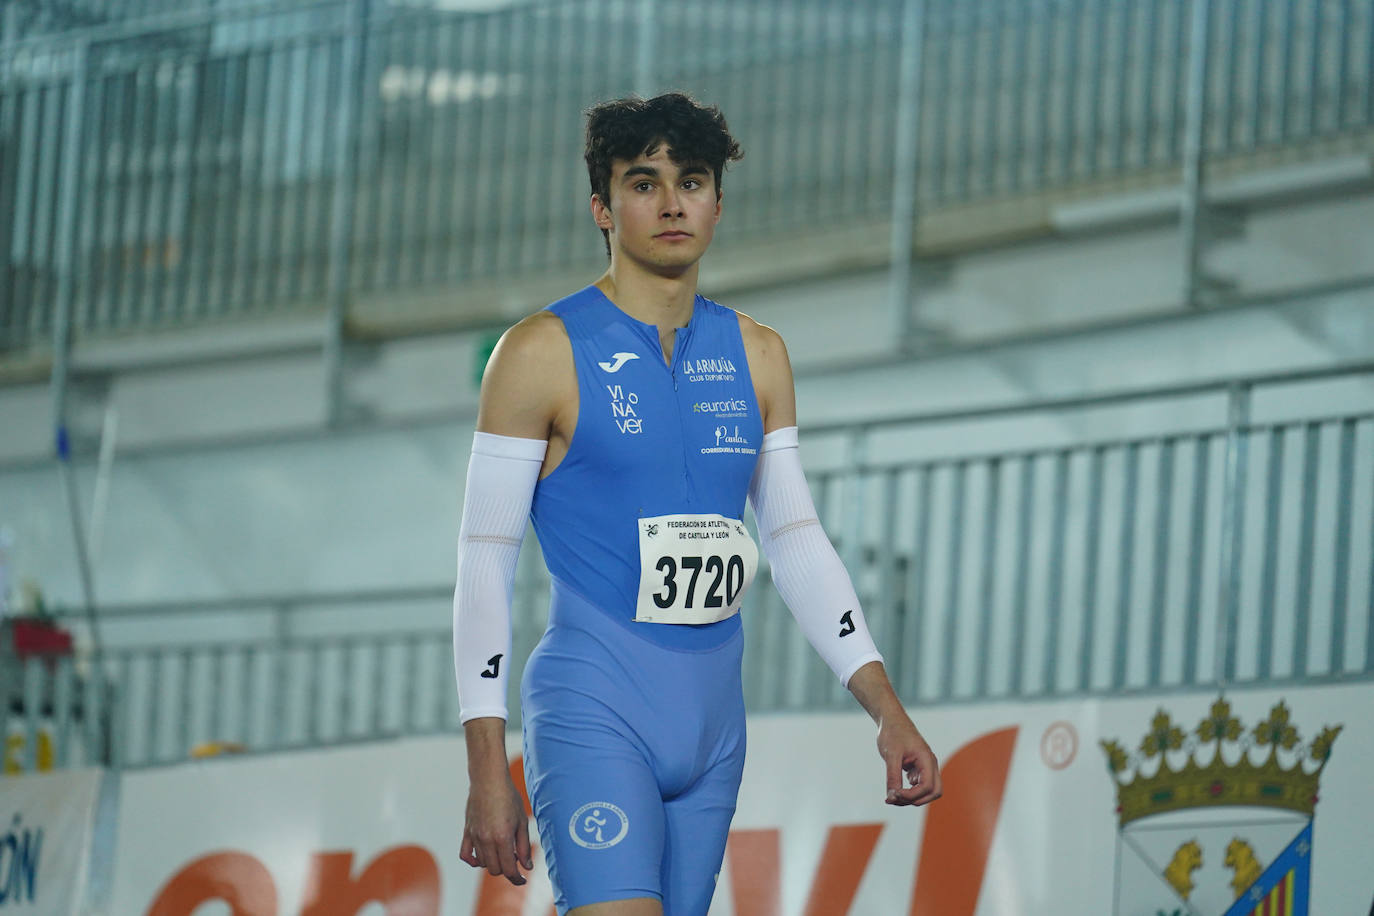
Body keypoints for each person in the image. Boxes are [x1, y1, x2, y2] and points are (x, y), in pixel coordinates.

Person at [453, 92, 941, 916]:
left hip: (714, 729)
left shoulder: (758, 354)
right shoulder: (539, 352)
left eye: (693, 180)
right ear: (603, 208)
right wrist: (485, 769)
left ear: (718, 201)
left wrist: (887, 711)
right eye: (644, 183)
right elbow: (483, 559)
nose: (672, 202)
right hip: (593, 703)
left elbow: (793, 541)